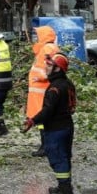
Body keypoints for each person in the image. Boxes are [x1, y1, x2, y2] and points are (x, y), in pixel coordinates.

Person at [23, 52, 77, 194]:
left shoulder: (54, 88)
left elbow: (47, 110)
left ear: (57, 69)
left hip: (56, 129)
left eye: (49, 65)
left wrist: (32, 121)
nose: (46, 67)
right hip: (67, 126)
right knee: (65, 158)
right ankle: (64, 187)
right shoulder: (68, 84)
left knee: (58, 160)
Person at [26, 25, 60, 157]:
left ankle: (45, 147)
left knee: (42, 120)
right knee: (43, 120)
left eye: (37, 35)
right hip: (41, 91)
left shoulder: (47, 49)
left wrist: (39, 78)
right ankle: (46, 145)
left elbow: (51, 69)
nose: (35, 38)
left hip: (41, 90)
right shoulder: (49, 48)